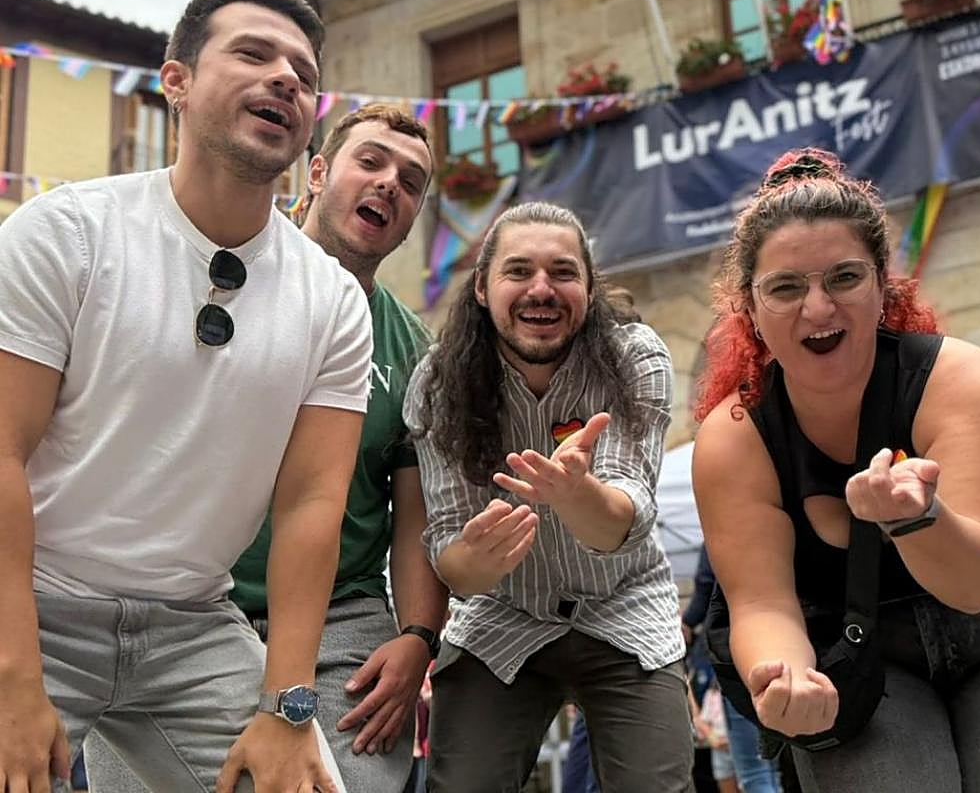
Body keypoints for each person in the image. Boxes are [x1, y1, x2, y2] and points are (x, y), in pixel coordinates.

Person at [0, 0, 370, 792]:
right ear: (176, 83)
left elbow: (312, 501)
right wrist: (13, 678)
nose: (285, 79)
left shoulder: (334, 298)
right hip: (31, 602)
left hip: (195, 625)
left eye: (304, 75)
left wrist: (288, 705)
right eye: (252, 53)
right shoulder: (64, 234)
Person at [691, 147, 980, 792]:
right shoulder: (735, 435)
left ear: (883, 284)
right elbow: (761, 601)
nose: (818, 308)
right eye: (785, 287)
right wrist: (786, 674)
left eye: (843, 278)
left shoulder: (962, 379)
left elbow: (973, 584)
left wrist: (919, 518)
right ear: (747, 307)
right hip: (857, 654)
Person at [84, 104, 447, 790]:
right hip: (177, 597)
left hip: (341, 614)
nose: (389, 184)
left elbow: (415, 517)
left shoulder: (410, 348)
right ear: (315, 171)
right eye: (370, 161)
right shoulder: (213, 278)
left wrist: (418, 639)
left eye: (411, 180)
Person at [403, 201, 694, 792]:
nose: (542, 289)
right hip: (503, 614)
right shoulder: (438, 382)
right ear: (482, 287)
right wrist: (474, 560)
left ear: (588, 288)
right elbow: (451, 556)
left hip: (623, 607)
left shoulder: (635, 355)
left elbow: (621, 521)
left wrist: (573, 492)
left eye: (563, 272)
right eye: (519, 272)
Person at [683, 547, 782, 793]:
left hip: (741, 651)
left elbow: (707, 584)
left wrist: (688, 621)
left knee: (754, 770)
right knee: (773, 769)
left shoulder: (723, 529)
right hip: (787, 645)